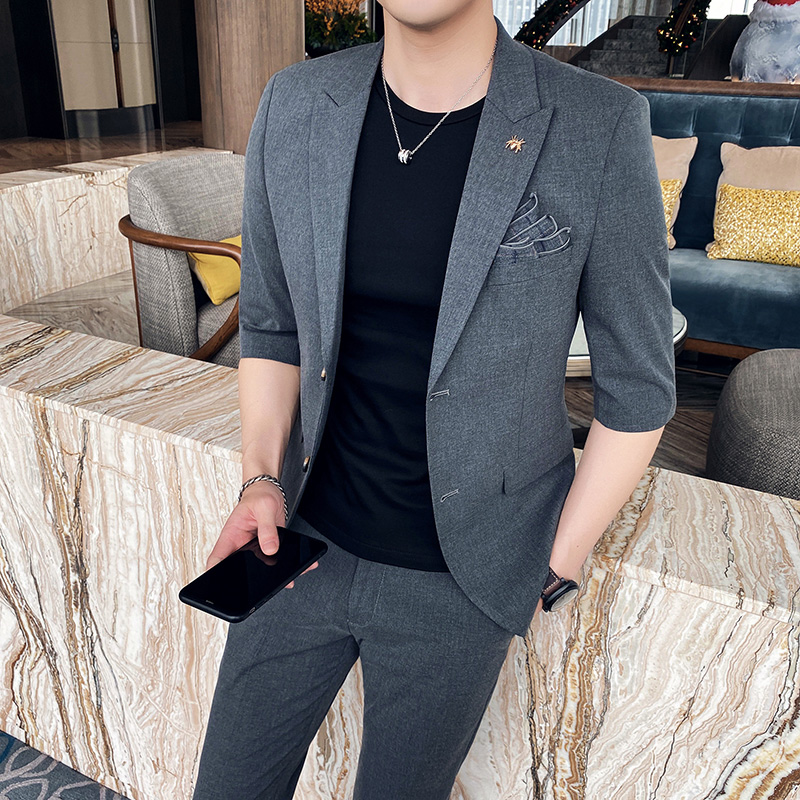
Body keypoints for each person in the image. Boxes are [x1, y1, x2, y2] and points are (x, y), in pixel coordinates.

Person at [191, 1, 677, 798]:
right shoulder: (297, 101)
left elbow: (639, 386)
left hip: (463, 579)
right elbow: (273, 325)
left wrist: (558, 557)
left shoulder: (598, 123)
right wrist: (260, 478)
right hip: (300, 541)